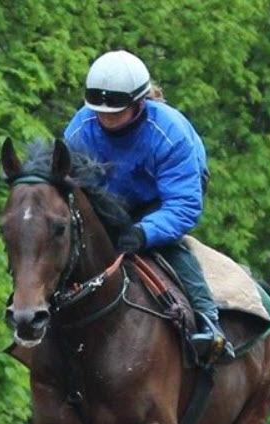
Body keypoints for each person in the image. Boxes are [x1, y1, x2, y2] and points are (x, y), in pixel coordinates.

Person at [64, 50, 234, 360]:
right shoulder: (80, 128)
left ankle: (209, 324)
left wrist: (143, 233)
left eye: (115, 112)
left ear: (139, 103)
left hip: (164, 196)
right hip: (110, 196)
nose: (106, 119)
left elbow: (183, 205)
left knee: (169, 247)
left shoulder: (169, 133)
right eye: (100, 112)